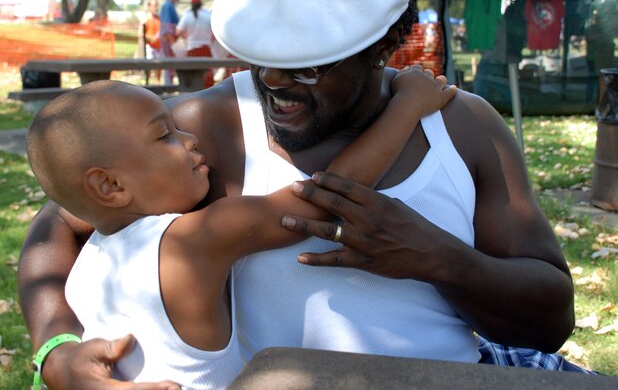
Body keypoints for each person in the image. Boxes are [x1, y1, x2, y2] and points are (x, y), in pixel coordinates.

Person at [18, 0, 583, 389]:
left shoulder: (462, 126)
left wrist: (437, 258)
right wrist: (57, 348)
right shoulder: (210, 130)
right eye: (263, 55)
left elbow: (550, 321)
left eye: (308, 64)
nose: (275, 82)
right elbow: (60, 220)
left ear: (387, 43)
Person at [25, 71, 454, 389]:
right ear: (111, 186)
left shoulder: (86, 268)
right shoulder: (189, 243)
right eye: (165, 136)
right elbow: (328, 195)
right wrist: (408, 107)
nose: (190, 137)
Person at [177, 0, 216, 88]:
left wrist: (185, 37)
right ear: (201, 4)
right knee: (207, 74)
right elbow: (215, 33)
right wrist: (210, 40)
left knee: (193, 74)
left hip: (192, 48)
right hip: (206, 48)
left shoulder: (187, 16)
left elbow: (178, 31)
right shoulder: (208, 15)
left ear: (191, 4)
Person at [160, 0, 181, 85]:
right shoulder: (168, 6)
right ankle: (168, 87)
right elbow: (167, 27)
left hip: (170, 39)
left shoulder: (169, 5)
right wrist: (172, 41)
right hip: (169, 40)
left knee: (170, 66)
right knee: (169, 65)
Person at [144, 0, 162, 83]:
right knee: (149, 64)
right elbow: (142, 33)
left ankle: (157, 81)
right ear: (149, 6)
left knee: (159, 65)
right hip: (149, 46)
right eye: (153, 5)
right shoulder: (146, 18)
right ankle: (148, 81)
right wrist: (150, 38)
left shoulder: (158, 18)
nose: (155, 7)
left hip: (158, 45)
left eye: (156, 5)